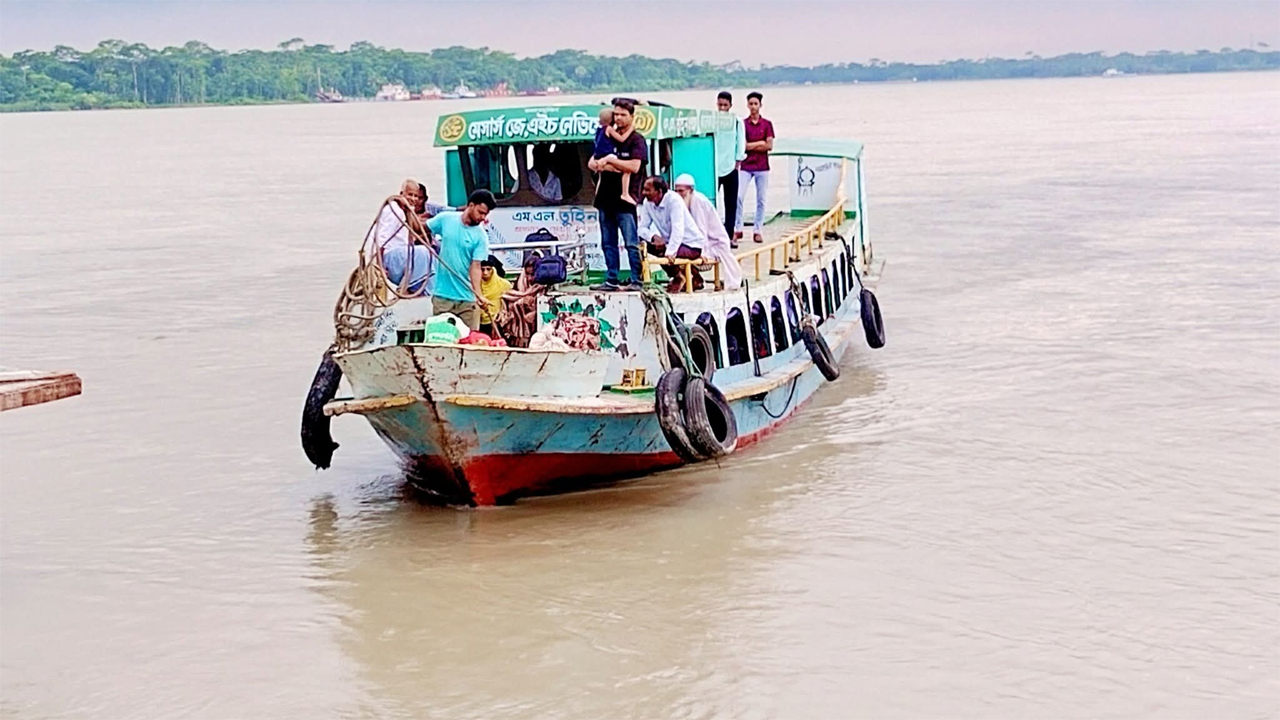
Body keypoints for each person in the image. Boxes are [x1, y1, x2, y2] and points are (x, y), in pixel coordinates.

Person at [588, 98, 647, 291]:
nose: (619, 118)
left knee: (631, 242)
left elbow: (635, 166)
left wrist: (611, 163)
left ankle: (636, 280)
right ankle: (611, 279)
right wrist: (605, 163)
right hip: (604, 198)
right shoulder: (606, 134)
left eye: (623, 114)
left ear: (632, 116)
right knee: (607, 242)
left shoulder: (637, 140)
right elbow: (592, 162)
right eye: (617, 114)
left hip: (626, 200)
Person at [424, 189, 496, 330]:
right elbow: (422, 228)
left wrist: (479, 295)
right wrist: (406, 211)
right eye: (480, 212)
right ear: (470, 205)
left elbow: (476, 266)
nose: (483, 218)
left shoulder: (481, 236)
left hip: (467, 300)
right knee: (441, 342)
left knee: (470, 342)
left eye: (485, 214)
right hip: (442, 296)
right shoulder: (445, 219)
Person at [673, 173, 742, 290]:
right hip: (702, 242)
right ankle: (693, 279)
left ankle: (693, 279)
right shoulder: (685, 202)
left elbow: (701, 229)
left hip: (715, 243)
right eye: (676, 191)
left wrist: (702, 252)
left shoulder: (698, 201)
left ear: (691, 190)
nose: (679, 195)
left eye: (682, 191)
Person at [638, 175, 706, 292]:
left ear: (659, 191)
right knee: (643, 245)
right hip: (670, 243)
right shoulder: (647, 203)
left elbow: (678, 229)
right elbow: (642, 229)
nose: (644, 192)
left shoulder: (674, 200)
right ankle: (689, 276)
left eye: (648, 190)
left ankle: (679, 278)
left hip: (691, 245)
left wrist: (670, 252)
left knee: (662, 252)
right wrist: (654, 237)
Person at [363, 178, 432, 294]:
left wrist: (411, 211)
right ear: (402, 194)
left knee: (430, 262)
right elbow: (381, 239)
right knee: (424, 253)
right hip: (388, 258)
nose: (413, 199)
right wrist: (379, 266)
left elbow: (414, 230)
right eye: (410, 195)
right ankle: (406, 290)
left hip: (396, 256)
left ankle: (422, 292)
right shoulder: (396, 211)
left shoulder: (405, 211)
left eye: (416, 196)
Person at [737, 91, 775, 244]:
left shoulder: (767, 124)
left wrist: (755, 145)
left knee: (761, 200)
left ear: (760, 105)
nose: (753, 107)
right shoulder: (743, 124)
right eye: (751, 104)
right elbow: (743, 146)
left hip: (762, 167)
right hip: (746, 165)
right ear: (747, 105)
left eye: (756, 104)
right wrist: (760, 143)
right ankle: (738, 228)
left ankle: (757, 230)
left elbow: (769, 145)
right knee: (739, 196)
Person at [715, 91, 747, 247]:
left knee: (731, 203)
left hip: (730, 166)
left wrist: (738, 160)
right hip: (714, 167)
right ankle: (714, 235)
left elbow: (740, 142)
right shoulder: (712, 121)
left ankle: (729, 235)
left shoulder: (736, 121)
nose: (722, 108)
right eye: (720, 105)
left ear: (730, 106)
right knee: (712, 201)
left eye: (725, 105)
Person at [495, 255, 544, 348]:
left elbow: (545, 304)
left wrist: (535, 312)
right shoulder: (520, 282)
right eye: (527, 274)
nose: (529, 278)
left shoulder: (543, 286)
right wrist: (522, 302)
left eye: (532, 274)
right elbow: (511, 299)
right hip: (517, 332)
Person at [592, 107, 635, 206]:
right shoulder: (609, 129)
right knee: (626, 170)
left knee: (601, 176)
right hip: (608, 154)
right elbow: (621, 139)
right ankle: (625, 193)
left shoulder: (599, 130)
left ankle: (598, 193)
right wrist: (630, 130)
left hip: (598, 155)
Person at [477, 254, 513, 337]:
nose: (485, 272)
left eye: (488, 269)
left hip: (498, 322)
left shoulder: (504, 285)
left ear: (493, 270)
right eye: (482, 270)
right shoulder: (474, 286)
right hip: (478, 322)